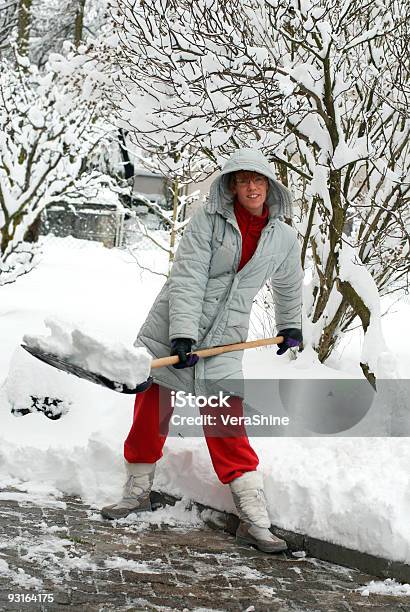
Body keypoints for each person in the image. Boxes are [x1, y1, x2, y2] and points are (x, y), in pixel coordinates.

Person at [101, 148, 303, 553]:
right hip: (174, 328)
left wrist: (290, 325)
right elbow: (188, 277)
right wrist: (183, 335)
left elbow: (288, 284)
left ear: (270, 186)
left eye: (258, 180)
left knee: (226, 420)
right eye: (243, 180)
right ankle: (137, 493)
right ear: (231, 186)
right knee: (151, 411)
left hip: (227, 338)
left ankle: (253, 518)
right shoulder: (207, 223)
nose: (251, 187)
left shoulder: (282, 237)